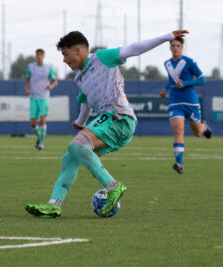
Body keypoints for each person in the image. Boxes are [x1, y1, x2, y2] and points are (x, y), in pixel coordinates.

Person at [26, 30, 189, 218]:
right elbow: (85, 102)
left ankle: (113, 186)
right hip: (108, 121)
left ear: (78, 50)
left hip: (119, 117)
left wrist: (167, 36)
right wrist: (80, 122)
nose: (64, 60)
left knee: (75, 146)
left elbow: (133, 49)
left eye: (65, 54)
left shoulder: (102, 57)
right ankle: (54, 204)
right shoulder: (80, 77)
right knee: (70, 157)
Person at [159, 36, 211, 174]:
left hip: (190, 102)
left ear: (181, 47)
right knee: (178, 130)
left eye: (178, 45)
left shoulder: (189, 62)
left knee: (197, 132)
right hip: (175, 102)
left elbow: (202, 80)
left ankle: (204, 127)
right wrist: (165, 90)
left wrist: (186, 84)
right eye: (173, 45)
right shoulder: (167, 63)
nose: (175, 48)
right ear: (170, 47)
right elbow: (171, 81)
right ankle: (179, 163)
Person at [25, 49, 58, 150]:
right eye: (37, 55)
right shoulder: (31, 67)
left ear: (43, 56)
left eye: (41, 55)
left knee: (43, 121)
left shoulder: (48, 68)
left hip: (44, 97)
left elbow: (55, 81)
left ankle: (41, 144)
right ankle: (40, 137)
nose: (39, 57)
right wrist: (27, 89)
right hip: (34, 97)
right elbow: (27, 80)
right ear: (36, 56)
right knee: (33, 123)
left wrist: (51, 86)